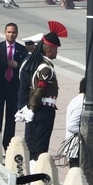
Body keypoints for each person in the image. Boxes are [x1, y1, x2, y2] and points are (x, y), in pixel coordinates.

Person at [21, 30, 63, 160]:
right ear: (49, 50)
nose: (57, 52)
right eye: (56, 49)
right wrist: (32, 108)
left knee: (36, 142)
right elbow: (40, 90)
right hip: (44, 110)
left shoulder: (42, 65)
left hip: (41, 108)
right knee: (40, 145)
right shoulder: (46, 68)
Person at [0, 23, 26, 143]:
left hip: (14, 87)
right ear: (5, 33)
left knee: (11, 117)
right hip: (0, 86)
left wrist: (17, 65)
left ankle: (7, 143)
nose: (11, 34)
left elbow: (25, 69)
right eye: (9, 32)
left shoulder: (22, 50)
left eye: (13, 32)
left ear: (17, 34)